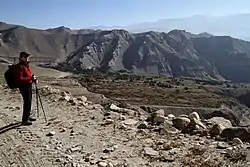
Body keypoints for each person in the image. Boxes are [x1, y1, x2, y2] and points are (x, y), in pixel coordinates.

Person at [15, 51, 37, 125]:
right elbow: (20, 79)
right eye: (26, 57)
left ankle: (27, 116)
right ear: (22, 58)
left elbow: (29, 75)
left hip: (28, 85)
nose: (27, 58)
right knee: (27, 102)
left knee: (29, 101)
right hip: (24, 87)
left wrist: (33, 78)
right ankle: (24, 120)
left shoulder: (26, 65)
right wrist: (30, 78)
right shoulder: (20, 67)